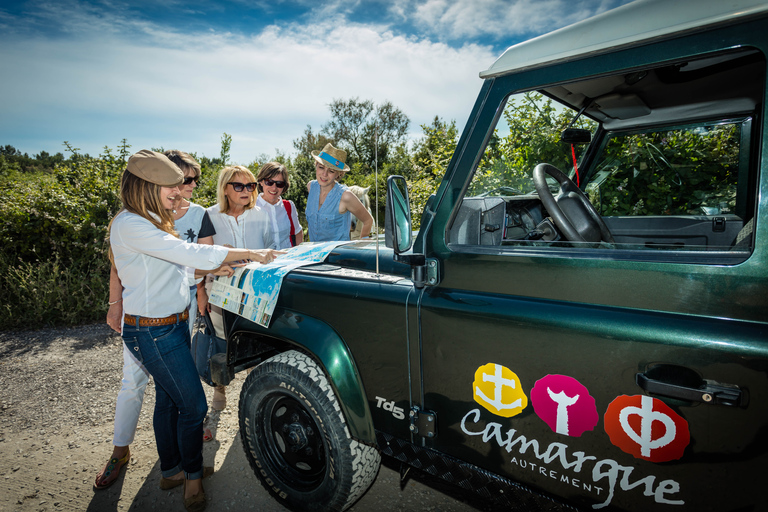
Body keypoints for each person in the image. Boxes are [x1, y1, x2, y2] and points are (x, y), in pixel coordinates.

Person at [107, 150, 280, 511]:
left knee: (169, 400)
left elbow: (176, 269)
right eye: (171, 187)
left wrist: (211, 272)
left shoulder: (150, 221)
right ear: (146, 187)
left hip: (168, 324)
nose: (180, 193)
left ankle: (170, 470)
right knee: (194, 404)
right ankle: (192, 478)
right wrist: (251, 254)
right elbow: (188, 253)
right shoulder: (132, 224)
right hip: (152, 331)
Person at [97, 151, 218, 493]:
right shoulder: (141, 217)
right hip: (146, 316)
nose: (187, 187)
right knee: (134, 383)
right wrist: (115, 303)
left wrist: (204, 289)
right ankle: (120, 452)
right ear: (155, 183)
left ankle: (174, 467)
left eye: (193, 180)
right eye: (181, 179)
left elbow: (193, 263)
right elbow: (119, 263)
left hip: (180, 309)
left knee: (170, 394)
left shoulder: (196, 214)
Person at [205, 165, 276, 410]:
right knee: (221, 342)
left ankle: (255, 397)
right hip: (219, 290)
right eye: (239, 186)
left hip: (255, 291)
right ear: (225, 189)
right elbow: (202, 258)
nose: (246, 191)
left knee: (255, 342)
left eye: (250, 186)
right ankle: (219, 391)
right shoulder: (209, 216)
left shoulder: (262, 215)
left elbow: (269, 250)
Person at [305, 143, 373, 241]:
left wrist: (362, 246)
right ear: (316, 165)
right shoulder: (311, 187)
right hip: (314, 254)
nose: (324, 174)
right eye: (321, 167)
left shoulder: (345, 196)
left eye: (331, 171)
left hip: (339, 255)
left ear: (338, 174)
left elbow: (368, 220)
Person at [255, 161, 304, 249]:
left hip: (287, 259)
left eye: (279, 184)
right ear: (261, 182)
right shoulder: (251, 207)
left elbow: (298, 232)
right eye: (269, 182)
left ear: (284, 186)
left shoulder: (289, 206)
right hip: (262, 261)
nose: (274, 188)